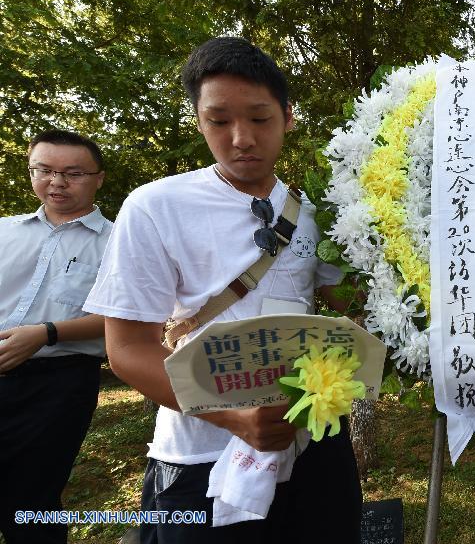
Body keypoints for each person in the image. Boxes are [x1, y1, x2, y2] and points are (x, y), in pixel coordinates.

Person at [83, 37, 361, 543]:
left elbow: (353, 314)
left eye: (259, 118)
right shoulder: (155, 206)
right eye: (219, 121)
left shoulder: (317, 212)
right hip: (200, 458)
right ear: (198, 120)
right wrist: (233, 417)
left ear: (288, 117)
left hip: (313, 445)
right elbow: (126, 349)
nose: (242, 139)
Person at [0, 129, 112, 544]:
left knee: (32, 500)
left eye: (73, 173)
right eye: (44, 170)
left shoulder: (118, 242)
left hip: (58, 384)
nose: (57, 181)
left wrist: (46, 333)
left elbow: (127, 317)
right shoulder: (4, 231)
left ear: (98, 177)